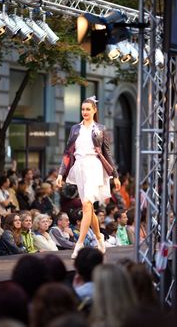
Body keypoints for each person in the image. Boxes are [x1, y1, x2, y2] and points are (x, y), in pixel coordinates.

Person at [56, 96, 120, 259]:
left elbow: (107, 153)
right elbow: (68, 153)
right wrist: (60, 174)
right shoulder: (75, 129)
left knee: (86, 205)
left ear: (94, 111)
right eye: (83, 109)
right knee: (88, 207)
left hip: (94, 167)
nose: (84, 112)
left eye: (88, 109)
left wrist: (115, 175)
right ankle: (99, 239)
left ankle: (79, 245)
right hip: (79, 168)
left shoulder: (100, 128)